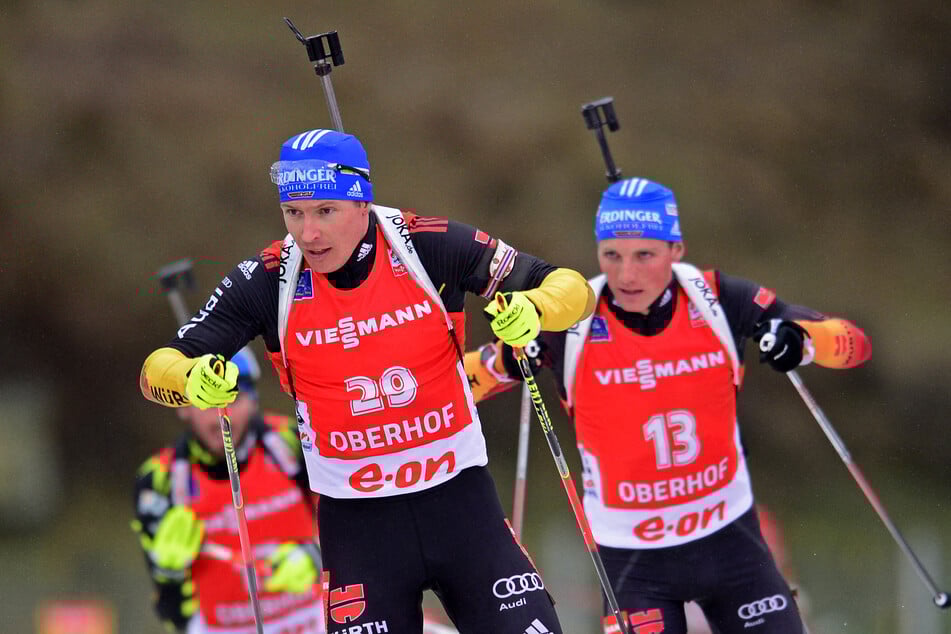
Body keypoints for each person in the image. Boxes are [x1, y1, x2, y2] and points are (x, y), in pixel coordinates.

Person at [139, 128, 596, 634]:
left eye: (325, 212)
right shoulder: (269, 278)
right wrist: (191, 378)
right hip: (359, 527)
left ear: (362, 203)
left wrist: (536, 308)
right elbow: (156, 368)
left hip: (459, 503)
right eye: (294, 214)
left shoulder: (428, 245)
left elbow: (571, 288)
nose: (308, 233)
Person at [464, 177, 871, 634]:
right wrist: (505, 358)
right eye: (612, 255)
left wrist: (803, 341)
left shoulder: (718, 299)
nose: (626, 275)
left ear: (676, 250)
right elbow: (465, 381)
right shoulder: (569, 319)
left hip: (730, 542)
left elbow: (854, 345)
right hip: (632, 560)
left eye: (645, 255)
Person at [132, 347, 325, 634]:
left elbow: (357, 530)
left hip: (312, 620)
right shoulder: (160, 480)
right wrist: (168, 569)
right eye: (204, 404)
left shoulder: (293, 443)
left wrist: (313, 556)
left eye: (232, 400)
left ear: (253, 400)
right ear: (184, 408)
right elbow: (170, 608)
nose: (218, 419)